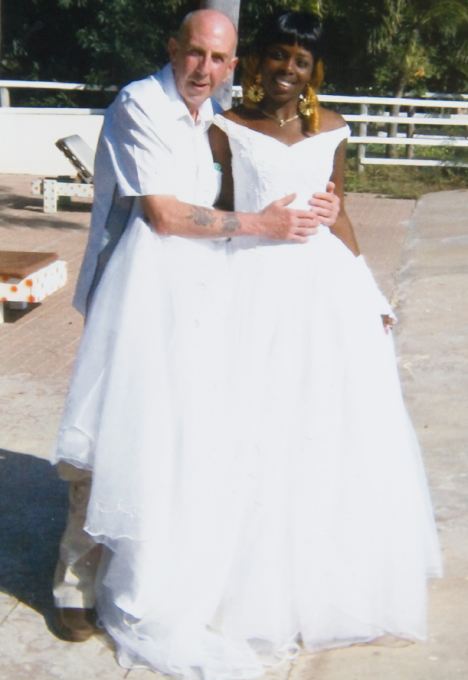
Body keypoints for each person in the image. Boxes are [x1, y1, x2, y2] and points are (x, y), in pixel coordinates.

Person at [51, 9, 340, 646]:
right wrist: (265, 225)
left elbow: (245, 184)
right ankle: (74, 580)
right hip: (137, 294)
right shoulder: (141, 106)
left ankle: (150, 565)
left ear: (233, 65)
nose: (203, 69)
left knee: (177, 436)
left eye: (217, 59)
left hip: (206, 290)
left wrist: (324, 200)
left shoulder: (214, 115)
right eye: (194, 53)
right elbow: (164, 213)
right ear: (172, 47)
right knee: (114, 427)